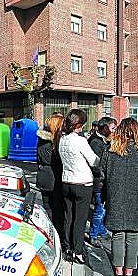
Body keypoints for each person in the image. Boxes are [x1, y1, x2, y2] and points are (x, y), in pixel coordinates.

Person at [100, 118, 138, 276]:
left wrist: (103, 198)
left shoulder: (110, 150)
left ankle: (118, 273)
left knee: (117, 235)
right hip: (137, 199)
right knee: (133, 236)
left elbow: (102, 177)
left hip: (115, 198)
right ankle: (129, 274)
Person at [58, 109, 100, 263]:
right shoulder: (80, 141)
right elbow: (94, 161)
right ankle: (78, 251)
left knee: (68, 217)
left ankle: (68, 248)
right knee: (80, 220)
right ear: (79, 124)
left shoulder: (62, 140)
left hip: (66, 181)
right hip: (82, 182)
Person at [87, 116, 118, 247]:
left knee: (102, 208)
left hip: (102, 180)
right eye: (113, 128)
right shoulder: (96, 142)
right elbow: (96, 164)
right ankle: (93, 234)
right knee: (100, 209)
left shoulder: (102, 140)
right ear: (105, 128)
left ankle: (100, 229)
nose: (114, 131)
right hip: (98, 181)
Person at [36, 115, 65, 241]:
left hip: (43, 176)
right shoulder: (56, 142)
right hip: (54, 177)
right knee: (57, 209)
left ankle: (48, 235)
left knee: (47, 207)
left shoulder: (41, 140)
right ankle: (57, 236)